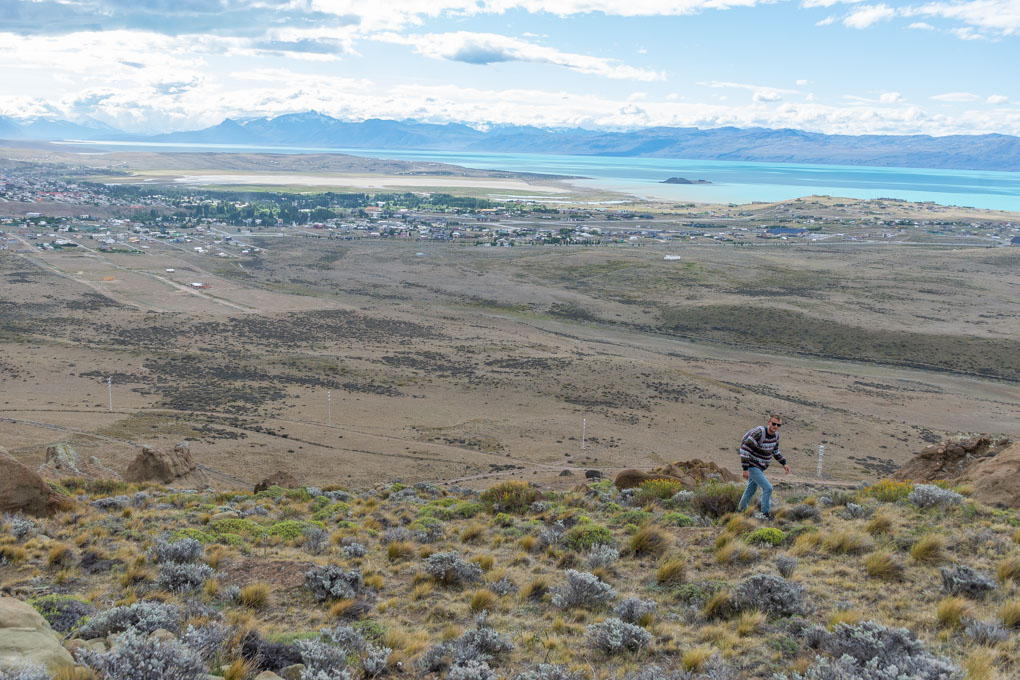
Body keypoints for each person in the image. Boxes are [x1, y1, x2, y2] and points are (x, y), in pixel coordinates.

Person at [737, 414, 790, 519]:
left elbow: (775, 451)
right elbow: (744, 450)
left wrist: (784, 463)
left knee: (751, 490)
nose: (775, 426)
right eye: (774, 424)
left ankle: (740, 511)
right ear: (769, 423)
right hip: (752, 465)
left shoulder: (776, 435)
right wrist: (745, 469)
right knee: (768, 488)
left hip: (761, 467)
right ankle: (765, 514)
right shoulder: (759, 434)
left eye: (778, 425)